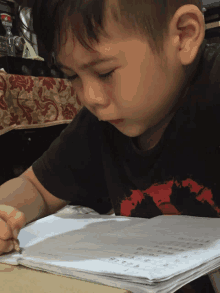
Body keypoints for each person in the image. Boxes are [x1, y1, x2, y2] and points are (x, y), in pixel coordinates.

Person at [0, 0, 218, 292]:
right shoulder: (100, 123)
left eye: (104, 72)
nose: (90, 97)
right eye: (72, 76)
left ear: (183, 35)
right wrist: (5, 211)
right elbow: (36, 187)